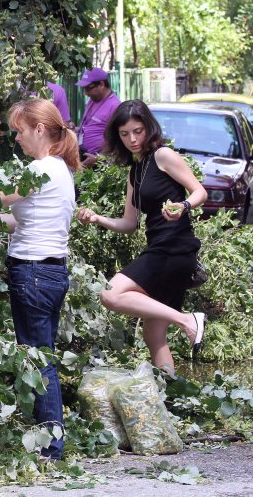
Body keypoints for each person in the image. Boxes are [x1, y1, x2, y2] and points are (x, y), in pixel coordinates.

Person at [76, 99, 208, 372]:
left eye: (138, 131)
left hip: (174, 249)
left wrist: (183, 207)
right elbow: (129, 223)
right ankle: (170, 402)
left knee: (110, 294)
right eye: (125, 134)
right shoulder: (136, 171)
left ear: (148, 127)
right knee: (153, 336)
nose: (132, 139)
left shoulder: (163, 156)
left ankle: (188, 320)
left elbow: (200, 192)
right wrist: (97, 218)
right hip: (160, 248)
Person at [1, 98, 83, 460]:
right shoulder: (60, 169)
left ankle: (51, 449)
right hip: (50, 272)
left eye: (19, 130)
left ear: (38, 129)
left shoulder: (41, 169)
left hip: (32, 272)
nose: (15, 138)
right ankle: (49, 441)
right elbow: (20, 220)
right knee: (42, 356)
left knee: (38, 361)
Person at [75, 67, 121, 168]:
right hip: (84, 157)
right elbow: (91, 126)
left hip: (99, 164)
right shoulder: (92, 100)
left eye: (88, 88)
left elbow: (117, 139)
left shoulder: (115, 106)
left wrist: (98, 158)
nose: (85, 93)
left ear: (101, 84)